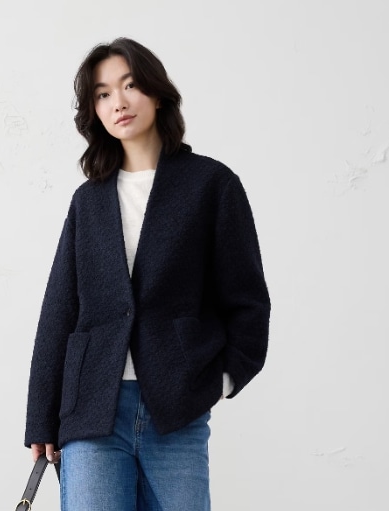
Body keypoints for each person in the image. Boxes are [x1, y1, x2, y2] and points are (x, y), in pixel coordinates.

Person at [24, 37, 271, 511]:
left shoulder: (212, 185)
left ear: (157, 93)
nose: (118, 102)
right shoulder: (88, 201)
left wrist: (219, 382)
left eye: (130, 85)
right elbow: (59, 311)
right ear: (94, 111)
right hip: (91, 411)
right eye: (102, 94)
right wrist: (41, 418)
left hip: (177, 410)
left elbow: (248, 301)